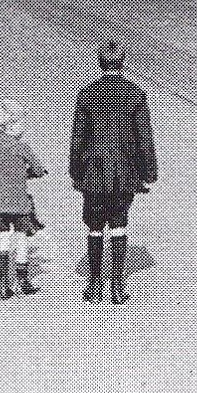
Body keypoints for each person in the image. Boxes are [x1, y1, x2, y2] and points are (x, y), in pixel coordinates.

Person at [70, 42, 158, 304]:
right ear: (123, 63)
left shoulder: (86, 95)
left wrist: (75, 171)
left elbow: (77, 139)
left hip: (93, 172)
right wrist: (149, 171)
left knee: (94, 226)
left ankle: (95, 284)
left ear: (100, 63)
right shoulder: (136, 95)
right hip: (124, 172)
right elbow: (145, 138)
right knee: (119, 224)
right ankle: (118, 287)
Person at [0, 102, 48, 300]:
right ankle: (24, 282)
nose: (23, 127)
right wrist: (25, 174)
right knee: (21, 239)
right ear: (10, 125)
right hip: (20, 203)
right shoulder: (21, 147)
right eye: (20, 123)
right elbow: (38, 169)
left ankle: (4, 285)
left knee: (3, 240)